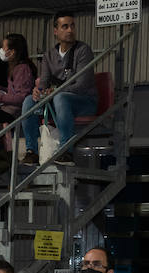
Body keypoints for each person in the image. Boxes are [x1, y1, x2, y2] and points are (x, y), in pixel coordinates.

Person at [19, 12, 96, 167]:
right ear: (56, 31)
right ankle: (31, 152)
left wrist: (55, 92)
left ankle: (66, 150)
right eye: (65, 26)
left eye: (72, 26)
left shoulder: (83, 50)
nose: (70, 30)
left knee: (60, 98)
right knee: (29, 100)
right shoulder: (49, 55)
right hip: (59, 101)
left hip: (84, 101)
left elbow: (81, 84)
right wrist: (38, 91)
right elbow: (44, 82)